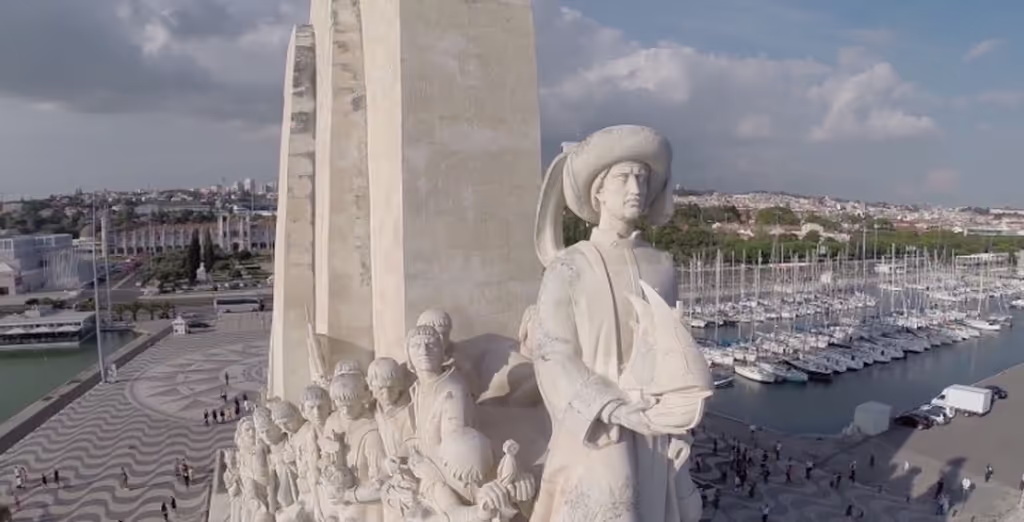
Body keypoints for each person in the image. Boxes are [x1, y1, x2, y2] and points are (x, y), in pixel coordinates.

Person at [528, 125, 711, 522]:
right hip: (596, 429)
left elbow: (669, 347)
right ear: (598, 191)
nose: (636, 188)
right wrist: (609, 408)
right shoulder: (569, 266)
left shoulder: (661, 265)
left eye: (643, 179)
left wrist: (678, 427)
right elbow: (551, 351)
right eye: (623, 177)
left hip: (654, 433)